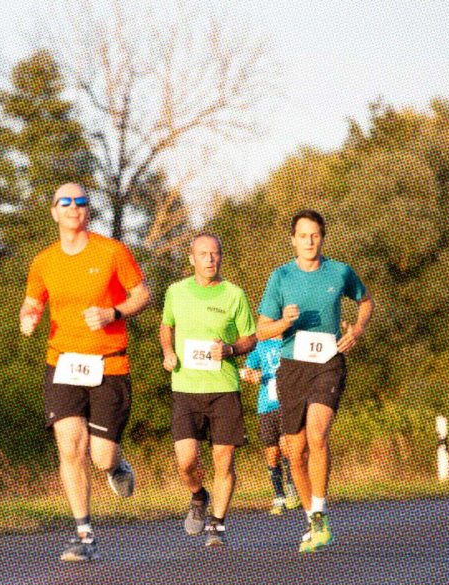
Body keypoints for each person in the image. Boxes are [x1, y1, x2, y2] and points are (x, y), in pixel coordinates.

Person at [20, 182, 151, 562]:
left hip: (109, 365)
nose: (74, 207)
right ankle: (83, 533)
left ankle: (117, 464)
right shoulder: (44, 261)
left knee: (101, 457)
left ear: (88, 210)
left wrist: (114, 313)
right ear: (54, 211)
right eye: (66, 202)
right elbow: (31, 303)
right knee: (69, 447)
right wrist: (29, 319)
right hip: (62, 363)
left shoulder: (112, 251)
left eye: (81, 202)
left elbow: (143, 294)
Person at [256, 209, 374, 553]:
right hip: (292, 367)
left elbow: (365, 301)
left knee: (317, 434)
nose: (309, 241)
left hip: (328, 362)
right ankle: (312, 520)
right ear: (292, 239)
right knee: (295, 452)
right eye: (302, 235)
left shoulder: (340, 272)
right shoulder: (280, 277)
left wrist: (358, 328)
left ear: (322, 238)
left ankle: (320, 514)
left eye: (315, 235)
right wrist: (283, 323)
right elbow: (262, 329)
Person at [159, 233, 256, 547]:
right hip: (186, 387)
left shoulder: (234, 295)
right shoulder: (176, 291)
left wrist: (229, 349)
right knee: (186, 462)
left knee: (223, 459)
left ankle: (217, 523)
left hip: (223, 388)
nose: (210, 259)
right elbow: (166, 325)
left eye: (215, 254)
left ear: (221, 257)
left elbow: (250, 337)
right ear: (192, 259)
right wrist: (168, 352)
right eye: (203, 254)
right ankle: (199, 496)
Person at [240, 337, 300, 514]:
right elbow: (246, 370)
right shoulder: (261, 345)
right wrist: (250, 375)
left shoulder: (292, 340)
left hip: (288, 404)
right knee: (272, 453)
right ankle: (278, 495)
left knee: (286, 445)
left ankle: (291, 487)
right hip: (266, 406)